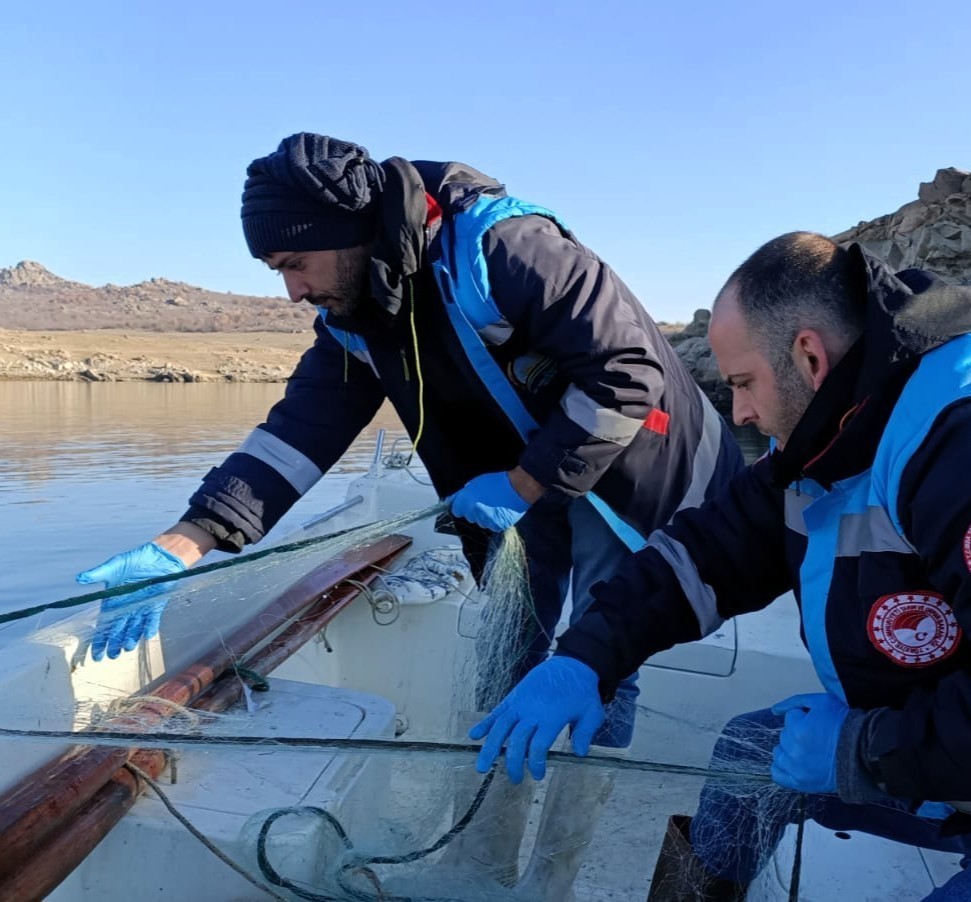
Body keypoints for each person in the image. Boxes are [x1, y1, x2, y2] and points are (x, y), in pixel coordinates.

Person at [75, 133, 744, 894]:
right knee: (508, 651)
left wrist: (523, 484)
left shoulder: (504, 247)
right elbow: (298, 434)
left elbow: (625, 376)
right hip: (520, 479)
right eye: (276, 272)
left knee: (597, 657)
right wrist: (181, 543)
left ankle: (549, 881)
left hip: (634, 467)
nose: (291, 291)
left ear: (348, 233)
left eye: (295, 263)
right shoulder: (356, 312)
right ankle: (484, 858)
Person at [471, 232, 971, 899]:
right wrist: (586, 657)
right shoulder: (832, 436)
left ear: (808, 357)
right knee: (750, 753)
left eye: (743, 383)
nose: (738, 413)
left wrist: (860, 750)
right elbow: (706, 553)